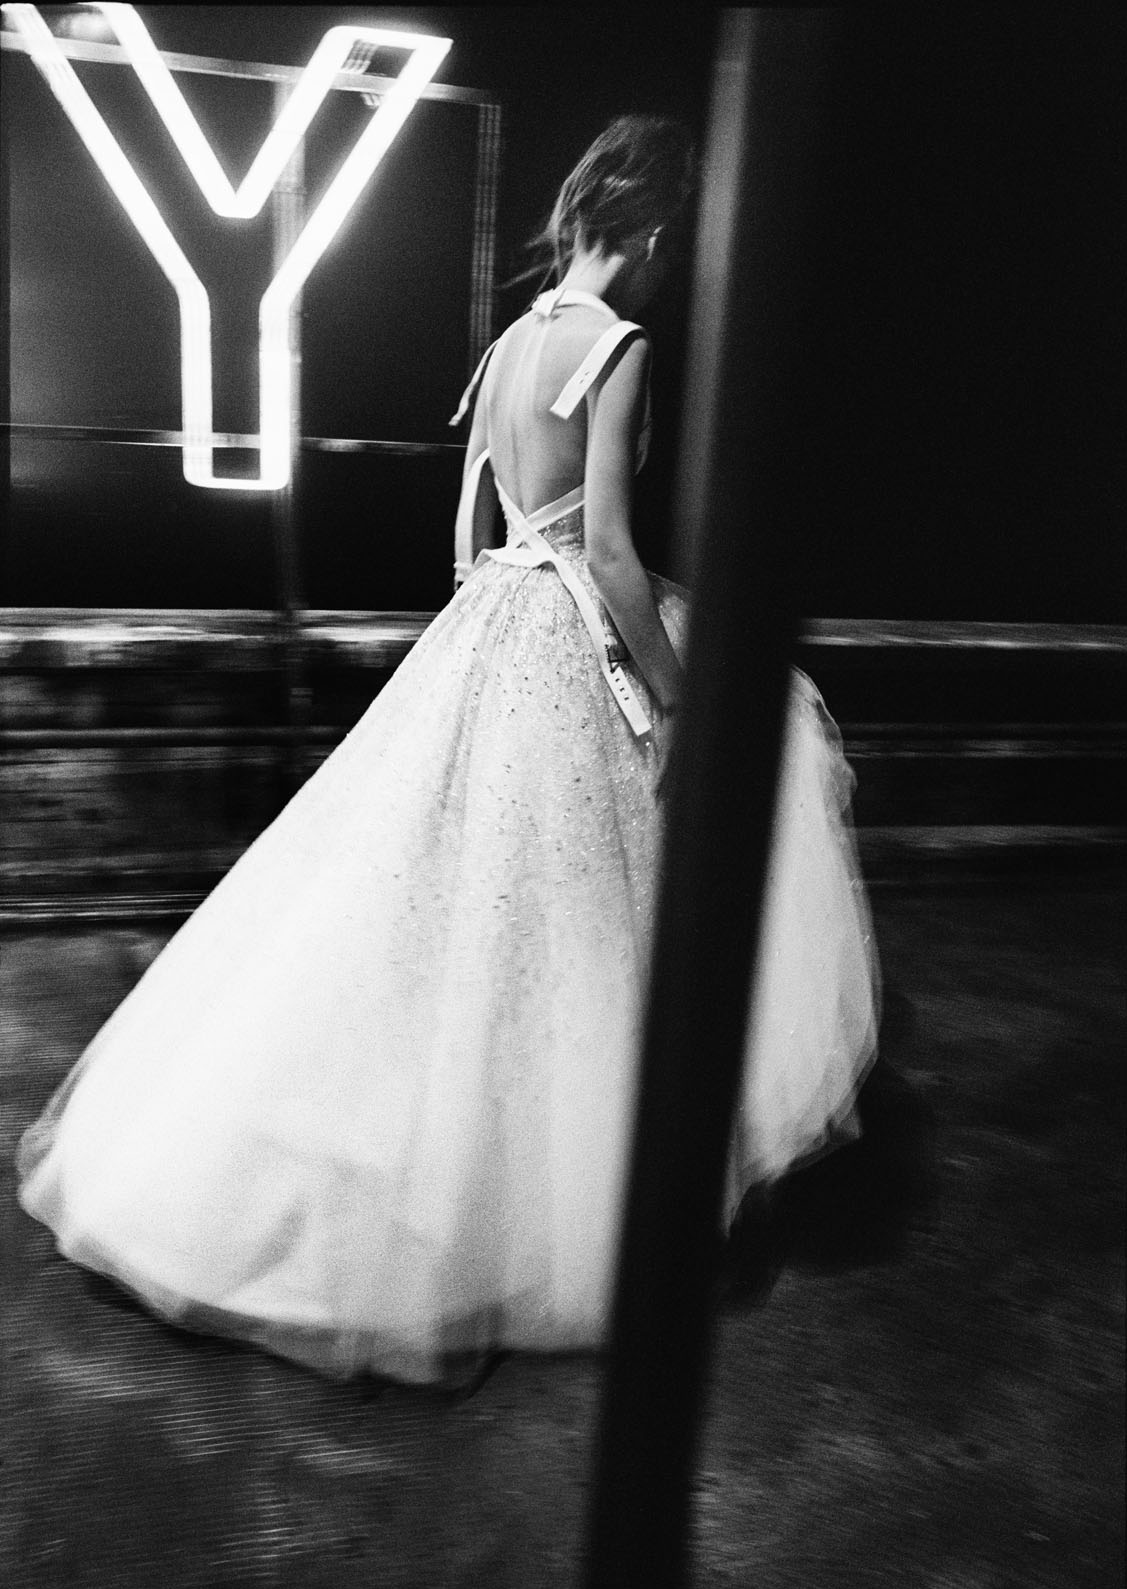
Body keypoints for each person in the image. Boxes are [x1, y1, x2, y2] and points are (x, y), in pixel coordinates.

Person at [16, 117, 879, 1388]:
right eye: (673, 249)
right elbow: (610, 552)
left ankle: (376, 1152)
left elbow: (470, 534)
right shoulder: (618, 348)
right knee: (575, 921)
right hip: (575, 628)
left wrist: (499, 621)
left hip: (486, 628)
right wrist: (677, 697)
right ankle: (543, 1180)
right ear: (650, 236)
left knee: (435, 910)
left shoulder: (507, 346)